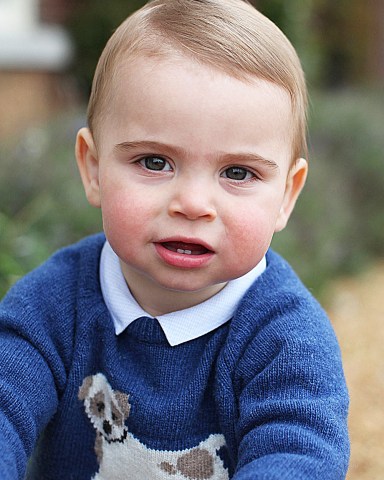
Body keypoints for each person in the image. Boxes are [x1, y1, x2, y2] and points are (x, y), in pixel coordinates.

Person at [0, 0, 349, 478]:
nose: (192, 203)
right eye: (154, 162)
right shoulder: (51, 307)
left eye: (238, 172)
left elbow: (300, 457)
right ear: (94, 168)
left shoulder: (286, 340)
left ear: (286, 196)